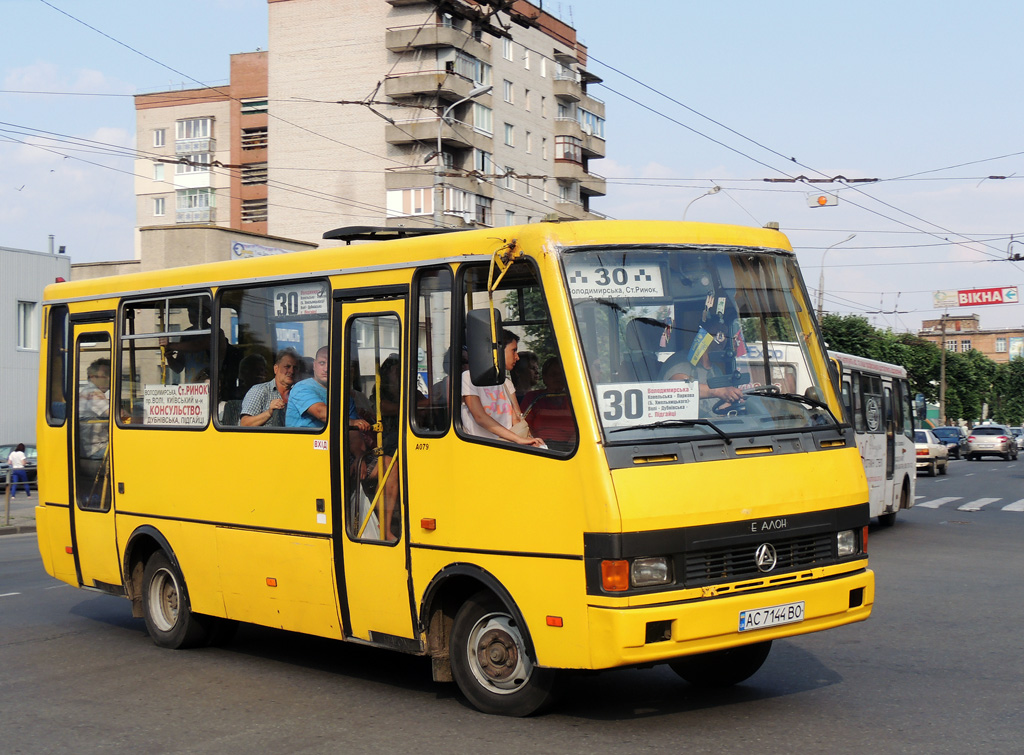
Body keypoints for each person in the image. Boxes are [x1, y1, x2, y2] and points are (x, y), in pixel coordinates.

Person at [462, 330, 545, 448]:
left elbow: (516, 418)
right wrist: (518, 439)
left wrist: (530, 440)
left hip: (506, 447)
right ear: (497, 351)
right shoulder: (469, 378)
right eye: (514, 350)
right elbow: (480, 417)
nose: (517, 357)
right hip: (480, 448)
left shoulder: (506, 382)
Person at [240, 348, 299, 427]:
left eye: (295, 368)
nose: (291, 371)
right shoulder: (259, 390)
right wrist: (269, 413)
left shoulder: (299, 393)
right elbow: (244, 424)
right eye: (287, 367)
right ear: (276, 369)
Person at [522, 357, 576, 445]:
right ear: (544, 377)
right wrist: (536, 443)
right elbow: (524, 426)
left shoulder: (574, 399)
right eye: (553, 374)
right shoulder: (533, 398)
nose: (558, 378)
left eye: (561, 374)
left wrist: (572, 443)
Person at [78, 357, 111, 488]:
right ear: (93, 376)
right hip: (95, 450)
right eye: (105, 375)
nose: (109, 379)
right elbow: (114, 415)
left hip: (89, 449)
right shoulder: (93, 393)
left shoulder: (86, 392)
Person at [286, 346, 329, 429]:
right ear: (314, 365)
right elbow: (321, 413)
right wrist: (349, 422)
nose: (326, 369)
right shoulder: (301, 388)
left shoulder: (342, 393)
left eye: (331, 363)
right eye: (322, 363)